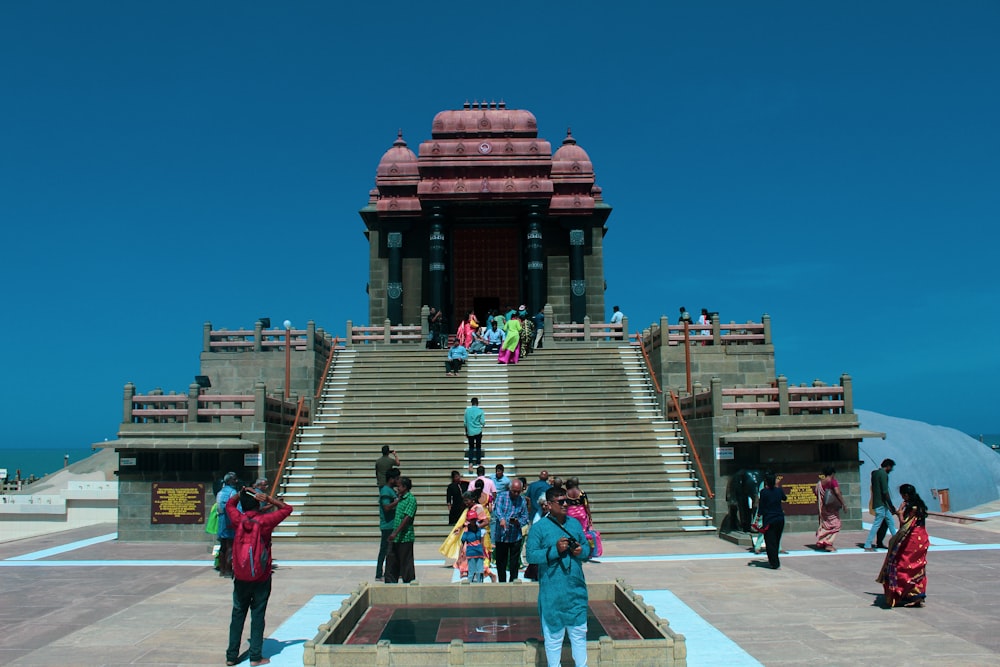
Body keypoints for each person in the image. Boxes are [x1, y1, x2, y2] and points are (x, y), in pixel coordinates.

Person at [225, 486, 293, 667]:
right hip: (261, 576)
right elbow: (287, 509)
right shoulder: (265, 521)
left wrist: (240, 494)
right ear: (259, 501)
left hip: (240, 577)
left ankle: (231, 655)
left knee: (238, 614)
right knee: (258, 614)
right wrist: (269, 499)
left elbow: (229, 506)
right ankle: (255, 657)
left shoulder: (238, 519)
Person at [526, 486, 592, 667]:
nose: (565, 505)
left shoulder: (575, 524)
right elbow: (531, 555)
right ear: (548, 505)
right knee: (554, 636)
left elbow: (587, 549)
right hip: (552, 590)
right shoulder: (539, 528)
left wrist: (580, 551)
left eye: (567, 501)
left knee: (579, 632)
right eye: (560, 502)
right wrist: (555, 550)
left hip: (575, 588)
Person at [877, 483, 929, 608]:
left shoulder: (912, 507)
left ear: (905, 495)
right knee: (918, 566)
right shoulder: (920, 505)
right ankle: (916, 594)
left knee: (901, 565)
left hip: (911, 540)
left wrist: (900, 512)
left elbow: (904, 524)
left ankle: (904, 592)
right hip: (921, 539)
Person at [492, 478, 529, 582]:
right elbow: (497, 509)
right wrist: (502, 519)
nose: (516, 493)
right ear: (510, 489)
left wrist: (518, 522)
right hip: (502, 535)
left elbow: (525, 517)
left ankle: (513, 580)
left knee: (514, 562)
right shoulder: (502, 496)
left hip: (515, 535)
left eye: (518, 491)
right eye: (514, 491)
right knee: (501, 561)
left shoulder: (522, 500)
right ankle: (502, 582)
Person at [384, 477, 418, 583]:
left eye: (399, 486)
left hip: (405, 536)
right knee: (391, 561)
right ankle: (390, 582)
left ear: (405, 487)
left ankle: (408, 582)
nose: (397, 488)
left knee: (406, 562)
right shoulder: (400, 499)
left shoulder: (411, 499)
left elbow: (407, 518)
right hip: (396, 537)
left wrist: (395, 532)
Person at [864, 458, 898, 552]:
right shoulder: (883, 474)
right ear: (888, 466)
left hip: (880, 504)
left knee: (890, 522)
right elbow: (885, 491)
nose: (891, 469)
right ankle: (867, 544)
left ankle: (896, 543)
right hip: (881, 504)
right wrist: (891, 505)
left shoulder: (875, 473)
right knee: (877, 524)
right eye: (891, 467)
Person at [758, 471, 787, 569]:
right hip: (779, 519)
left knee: (770, 542)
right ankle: (775, 561)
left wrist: (758, 517)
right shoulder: (779, 490)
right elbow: (785, 498)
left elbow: (761, 507)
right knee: (776, 541)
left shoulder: (763, 492)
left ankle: (774, 563)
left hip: (769, 520)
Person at [376, 468, 401, 580]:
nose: (398, 480)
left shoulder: (391, 490)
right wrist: (397, 501)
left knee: (394, 550)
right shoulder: (385, 491)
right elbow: (386, 507)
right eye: (397, 478)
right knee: (385, 550)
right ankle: (379, 573)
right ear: (391, 479)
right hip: (387, 525)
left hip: (393, 524)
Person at [814, 465, 845, 552]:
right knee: (836, 525)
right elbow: (837, 492)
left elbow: (816, 493)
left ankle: (822, 541)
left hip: (822, 508)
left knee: (826, 525)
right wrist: (843, 504)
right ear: (832, 473)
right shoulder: (832, 481)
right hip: (831, 508)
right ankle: (828, 543)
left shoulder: (819, 483)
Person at [216, 472, 240, 578]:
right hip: (229, 521)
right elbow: (237, 509)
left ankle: (222, 569)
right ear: (230, 481)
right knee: (230, 546)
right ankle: (228, 570)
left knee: (223, 546)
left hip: (221, 520)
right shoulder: (233, 492)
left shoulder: (220, 492)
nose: (236, 481)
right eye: (234, 479)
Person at [464, 398, 486, 471]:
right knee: (478, 446)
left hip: (470, 431)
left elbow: (465, 423)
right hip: (478, 431)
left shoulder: (467, 411)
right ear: (477, 403)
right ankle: (478, 462)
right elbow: (483, 422)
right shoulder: (480, 411)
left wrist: (466, 431)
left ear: (471, 403)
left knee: (471, 447)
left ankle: (470, 463)